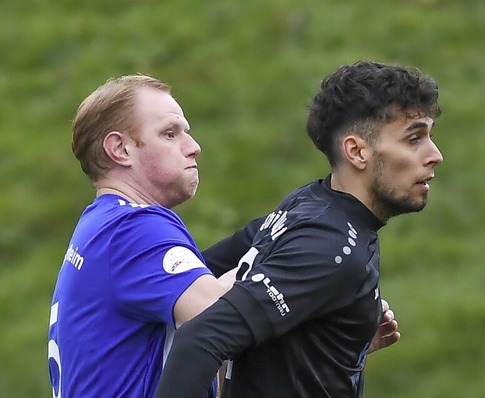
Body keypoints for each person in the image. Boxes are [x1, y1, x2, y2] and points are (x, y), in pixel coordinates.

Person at [155, 60, 443, 398]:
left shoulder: (309, 203)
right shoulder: (333, 249)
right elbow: (201, 339)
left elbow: (201, 277)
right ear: (356, 151)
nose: (434, 154)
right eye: (414, 139)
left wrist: (340, 344)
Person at [47, 75, 235, 397]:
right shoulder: (134, 227)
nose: (194, 147)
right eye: (170, 134)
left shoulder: (99, 225)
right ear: (120, 149)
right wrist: (285, 256)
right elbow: (225, 320)